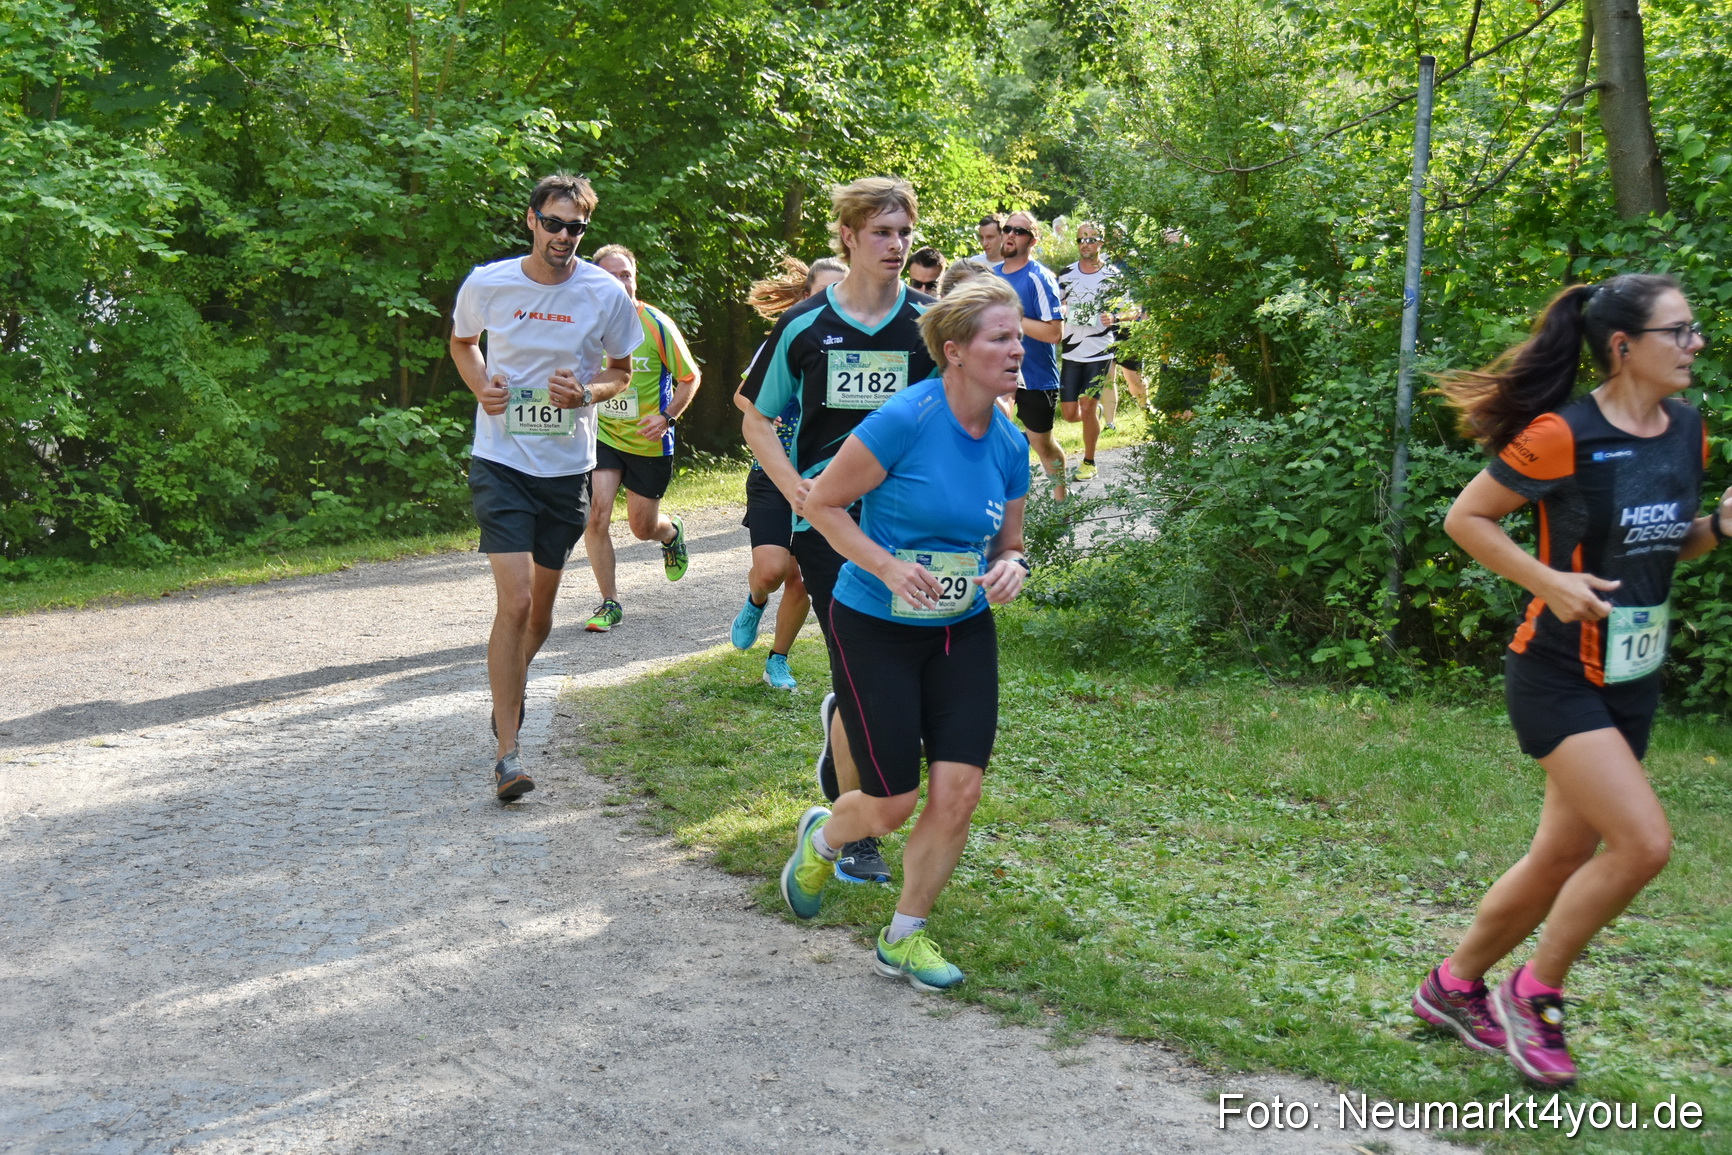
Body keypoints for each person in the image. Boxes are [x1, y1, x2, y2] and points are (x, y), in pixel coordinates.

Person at [1412, 273, 1721, 1087]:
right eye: (1680, 332)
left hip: (1633, 674)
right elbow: (1465, 518)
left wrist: (1718, 527)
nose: (1695, 346)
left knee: (1559, 854)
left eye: (1696, 332)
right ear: (1624, 347)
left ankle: (1451, 987)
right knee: (1644, 843)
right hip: (1556, 671)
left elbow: (1663, 540)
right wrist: (1546, 580)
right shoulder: (1561, 434)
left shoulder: (1689, 432)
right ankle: (1534, 992)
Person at [779, 277, 1030, 991]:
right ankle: (825, 838)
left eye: (1018, 337)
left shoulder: (1009, 443)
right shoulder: (906, 419)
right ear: (954, 351)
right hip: (875, 624)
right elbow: (821, 502)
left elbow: (1008, 543)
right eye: (1000, 338)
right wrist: (888, 567)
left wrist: (1013, 567)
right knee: (889, 804)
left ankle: (905, 936)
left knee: (959, 791)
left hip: (960, 630)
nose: (1017, 349)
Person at [737, 177, 937, 886]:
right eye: (882, 232)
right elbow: (754, 413)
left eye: (904, 232)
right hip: (828, 524)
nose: (897, 245)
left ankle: (843, 738)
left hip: (911, 524)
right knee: (868, 682)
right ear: (847, 237)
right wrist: (794, 487)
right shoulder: (806, 324)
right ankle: (857, 834)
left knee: (905, 677)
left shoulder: (928, 321)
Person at [449, 173, 641, 800]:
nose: (564, 237)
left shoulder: (603, 292)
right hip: (501, 460)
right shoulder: (490, 282)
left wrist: (587, 392)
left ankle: (511, 690)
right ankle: (508, 753)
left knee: (543, 613)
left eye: (576, 228)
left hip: (565, 470)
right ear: (531, 219)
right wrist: (482, 387)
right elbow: (462, 342)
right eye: (554, 223)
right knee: (518, 603)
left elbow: (621, 371)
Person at [731, 255, 849, 689]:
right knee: (772, 570)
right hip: (774, 471)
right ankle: (756, 599)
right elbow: (745, 397)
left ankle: (777, 659)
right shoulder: (789, 335)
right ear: (804, 296)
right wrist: (770, 412)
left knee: (802, 579)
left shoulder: (854, 344)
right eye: (821, 293)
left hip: (825, 479)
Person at [579, 244, 700, 632]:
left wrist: (667, 417)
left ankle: (671, 532)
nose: (621, 282)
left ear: (636, 279)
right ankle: (609, 602)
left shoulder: (657, 324)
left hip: (649, 440)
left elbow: (690, 377)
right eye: (612, 276)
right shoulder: (583, 323)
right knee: (596, 515)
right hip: (603, 435)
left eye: (626, 274)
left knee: (641, 528)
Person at [992, 211, 1067, 499]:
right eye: (1007, 228)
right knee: (990, 434)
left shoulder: (1039, 277)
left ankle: (1061, 501)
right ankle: (997, 506)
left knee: (1042, 443)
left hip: (1036, 376)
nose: (1010, 234)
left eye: (1019, 231)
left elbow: (1053, 333)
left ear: (1032, 240)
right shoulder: (993, 277)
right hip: (999, 372)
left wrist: (1011, 317)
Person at [1056, 221, 1122, 481]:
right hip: (1072, 351)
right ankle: (1092, 418)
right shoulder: (1066, 273)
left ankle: (1089, 461)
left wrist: (1114, 318)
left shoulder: (1113, 275)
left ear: (1101, 243)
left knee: (1088, 402)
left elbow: (1131, 310)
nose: (1086, 244)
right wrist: (1060, 310)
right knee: (1071, 413)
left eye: (1091, 239)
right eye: (1081, 239)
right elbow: (1056, 304)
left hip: (1100, 351)